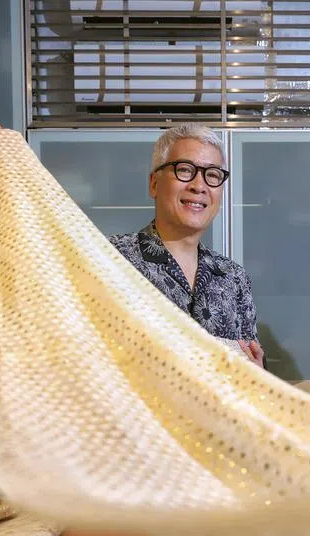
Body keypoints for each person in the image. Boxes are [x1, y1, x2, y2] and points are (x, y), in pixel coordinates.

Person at [108, 124, 264, 366]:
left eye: (212, 175)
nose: (198, 186)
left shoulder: (233, 278)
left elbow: (252, 370)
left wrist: (257, 371)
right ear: (154, 184)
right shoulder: (110, 259)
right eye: (184, 169)